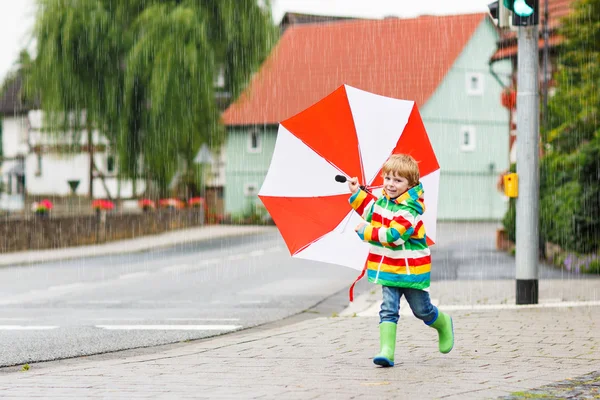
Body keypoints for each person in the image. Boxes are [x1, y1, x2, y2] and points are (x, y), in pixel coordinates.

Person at [347, 154, 454, 367]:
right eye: (387, 178)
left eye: (398, 180)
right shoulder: (383, 201)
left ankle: (443, 323)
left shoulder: (410, 211)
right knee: (388, 308)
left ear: (410, 184)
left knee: (421, 311)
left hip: (411, 270)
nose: (390, 184)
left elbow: (394, 237)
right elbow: (371, 211)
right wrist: (357, 192)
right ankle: (387, 352)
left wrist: (366, 231)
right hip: (388, 268)